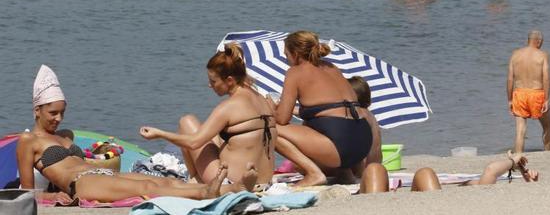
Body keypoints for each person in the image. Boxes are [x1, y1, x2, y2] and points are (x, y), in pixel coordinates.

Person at [17, 66, 235, 203]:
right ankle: (205, 193)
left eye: (62, 113)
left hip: (103, 174)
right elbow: (26, 193)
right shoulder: (28, 141)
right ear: (37, 110)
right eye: (53, 113)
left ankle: (227, 189)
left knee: (165, 181)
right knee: (147, 188)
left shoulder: (66, 135)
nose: (59, 118)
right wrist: (51, 196)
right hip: (82, 183)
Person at [141, 43, 312, 188]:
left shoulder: (229, 107)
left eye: (213, 81)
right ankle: (198, 178)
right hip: (264, 182)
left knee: (187, 122)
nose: (210, 85)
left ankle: (196, 178)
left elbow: (194, 143)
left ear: (230, 80)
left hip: (230, 183)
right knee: (215, 133)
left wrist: (160, 134)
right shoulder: (261, 99)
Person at [273, 31, 374, 182]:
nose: (286, 59)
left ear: (295, 54)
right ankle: (345, 174)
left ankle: (313, 174)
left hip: (340, 145)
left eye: (286, 55)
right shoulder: (331, 67)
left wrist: (271, 107)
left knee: (269, 129)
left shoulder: (295, 72)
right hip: (362, 143)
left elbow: (282, 119)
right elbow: (329, 109)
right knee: (317, 122)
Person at [362, 149, 550, 193]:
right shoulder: (484, 187)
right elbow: (489, 172)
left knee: (424, 172)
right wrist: (513, 162)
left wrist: (513, 163)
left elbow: (489, 172)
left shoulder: (482, 188)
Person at [508, 30, 550, 153]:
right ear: (539, 41)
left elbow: (510, 79)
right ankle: (548, 154)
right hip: (536, 94)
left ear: (528, 40)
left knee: (520, 131)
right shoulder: (542, 55)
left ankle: (518, 158)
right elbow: (546, 78)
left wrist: (510, 99)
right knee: (547, 126)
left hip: (519, 93)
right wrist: (547, 99)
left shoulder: (515, 54)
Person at [347, 77, 382, 167]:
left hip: (364, 167)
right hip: (375, 165)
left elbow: (361, 147)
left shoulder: (359, 114)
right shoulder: (370, 115)